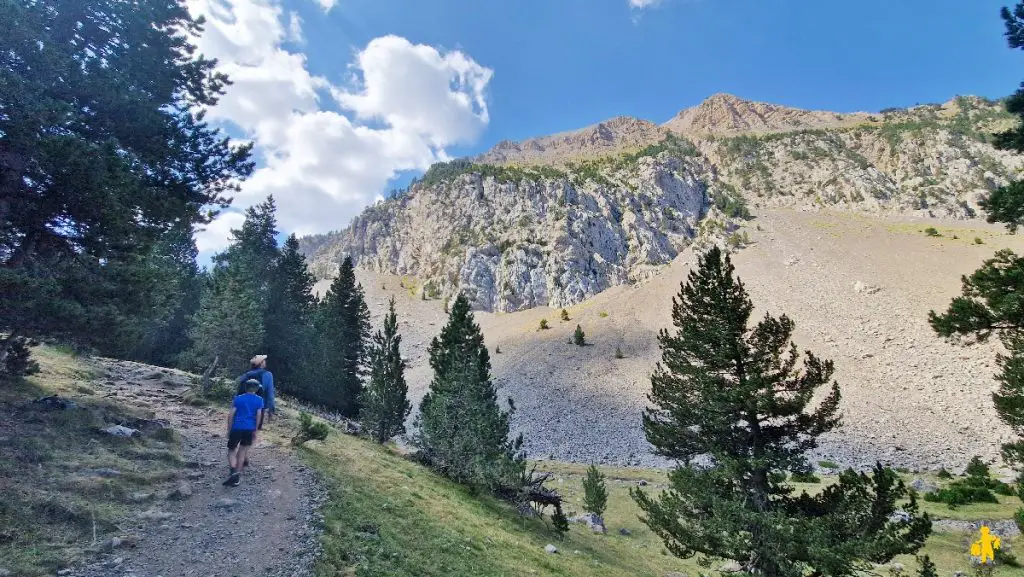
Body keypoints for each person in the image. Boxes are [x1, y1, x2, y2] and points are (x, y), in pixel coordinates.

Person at [223, 378, 264, 487]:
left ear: (245, 388)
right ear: (256, 389)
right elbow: (258, 415)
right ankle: (237, 475)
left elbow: (231, 414)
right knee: (242, 451)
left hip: (237, 427)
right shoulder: (259, 400)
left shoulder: (238, 399)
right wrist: (255, 430)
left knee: (231, 449)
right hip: (249, 428)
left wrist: (229, 429)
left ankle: (232, 470)